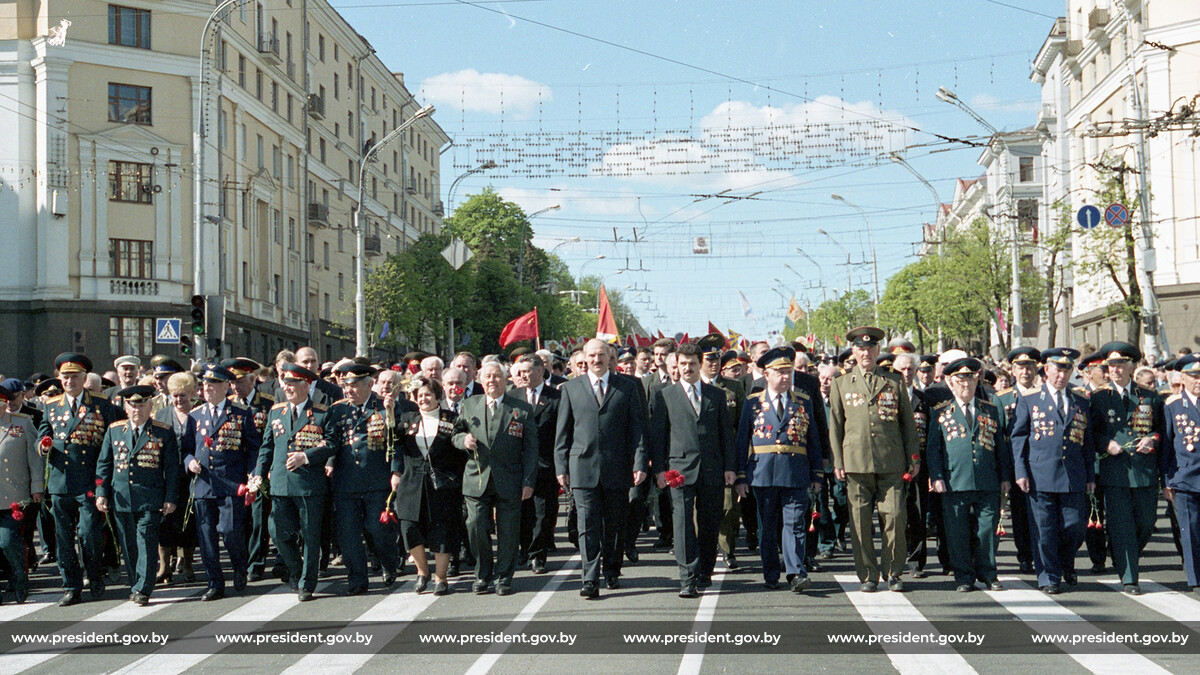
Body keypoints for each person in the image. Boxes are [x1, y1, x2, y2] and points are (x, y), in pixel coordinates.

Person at [555, 338, 648, 598]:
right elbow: (562, 434)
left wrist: (639, 462)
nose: (596, 360)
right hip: (582, 468)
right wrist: (561, 467)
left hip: (618, 468)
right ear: (584, 359)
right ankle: (589, 577)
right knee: (587, 524)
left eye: (601, 355)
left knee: (615, 524)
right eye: (592, 356)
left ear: (610, 357)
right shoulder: (571, 389)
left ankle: (612, 570)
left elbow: (637, 430)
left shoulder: (627, 387)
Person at [828, 327, 919, 593]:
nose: (866, 352)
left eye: (870, 348)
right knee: (859, 521)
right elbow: (835, 425)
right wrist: (838, 461)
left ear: (878, 351)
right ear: (853, 352)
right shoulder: (841, 383)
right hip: (855, 462)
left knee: (895, 516)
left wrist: (913, 457)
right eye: (860, 348)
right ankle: (868, 574)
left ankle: (893, 572)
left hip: (891, 460)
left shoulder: (894, 381)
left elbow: (908, 425)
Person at [650, 343, 736, 597]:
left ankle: (705, 571)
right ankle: (687, 577)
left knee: (710, 523)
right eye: (683, 364)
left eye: (692, 363)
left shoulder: (716, 395)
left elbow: (726, 436)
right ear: (677, 364)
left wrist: (730, 467)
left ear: (700, 364)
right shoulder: (664, 394)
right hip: (678, 470)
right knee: (683, 523)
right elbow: (659, 436)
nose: (687, 368)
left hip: (712, 469)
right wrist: (660, 471)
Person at [734, 346, 823, 592]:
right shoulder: (753, 403)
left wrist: (817, 473)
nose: (786, 377)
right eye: (780, 372)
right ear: (766, 375)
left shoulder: (803, 402)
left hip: (796, 473)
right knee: (768, 527)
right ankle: (771, 572)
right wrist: (741, 475)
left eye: (788, 372)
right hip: (763, 474)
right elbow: (742, 441)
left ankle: (795, 572)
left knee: (795, 524)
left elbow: (813, 439)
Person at [1010, 348, 1096, 594]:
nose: (1062, 374)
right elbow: (1019, 438)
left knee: (1075, 525)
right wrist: (1020, 471)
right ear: (1046, 370)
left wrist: (1090, 474)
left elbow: (1087, 442)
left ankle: (1066, 563)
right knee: (1044, 529)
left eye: (1067, 369)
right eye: (1057, 369)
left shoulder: (1080, 400)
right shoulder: (1030, 399)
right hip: (1040, 474)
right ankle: (1049, 576)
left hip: (1072, 474)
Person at [38, 352, 120, 606]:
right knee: (63, 538)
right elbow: (43, 433)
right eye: (65, 377)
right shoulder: (51, 405)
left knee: (89, 534)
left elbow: (113, 443)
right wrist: (42, 445)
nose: (69, 381)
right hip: (61, 482)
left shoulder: (101, 404)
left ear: (84, 378)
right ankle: (70, 586)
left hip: (89, 481)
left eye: (74, 377)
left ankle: (95, 575)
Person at [926, 358, 1011, 593]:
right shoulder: (941, 412)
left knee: (987, 530)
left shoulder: (991, 410)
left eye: (971, 379)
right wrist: (937, 477)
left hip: (987, 480)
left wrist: (1005, 477)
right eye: (961, 380)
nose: (966, 385)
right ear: (951, 382)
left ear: (977, 381)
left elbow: (1001, 447)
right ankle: (963, 576)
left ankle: (988, 573)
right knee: (957, 532)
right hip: (954, 481)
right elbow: (934, 449)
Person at [453, 361, 538, 596]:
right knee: (475, 525)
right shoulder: (470, 404)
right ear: (480, 380)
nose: (492, 380)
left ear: (506, 380)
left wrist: (528, 481)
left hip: (509, 479)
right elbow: (456, 432)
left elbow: (531, 449)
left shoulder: (521, 408)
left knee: (508, 531)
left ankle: (503, 577)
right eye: (487, 377)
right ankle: (482, 574)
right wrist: (463, 441)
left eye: (497, 376)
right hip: (476, 478)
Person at [253, 363, 333, 602]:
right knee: (276, 531)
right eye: (284, 383)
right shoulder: (277, 411)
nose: (286, 387)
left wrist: (306, 456)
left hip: (308, 484)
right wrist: (259, 472)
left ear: (306, 385)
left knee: (310, 535)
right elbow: (267, 446)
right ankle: (297, 570)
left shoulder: (321, 412)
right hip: (279, 482)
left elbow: (331, 444)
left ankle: (307, 583)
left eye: (292, 383)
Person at [1088, 342, 1163, 594]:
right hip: (1115, 472)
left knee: (1146, 522)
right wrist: (1105, 443)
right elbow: (1092, 433)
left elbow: (1162, 430)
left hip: (1144, 471)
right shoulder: (1098, 398)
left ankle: (1120, 551)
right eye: (1111, 365)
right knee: (1122, 526)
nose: (1116, 369)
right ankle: (1130, 577)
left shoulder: (1149, 396)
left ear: (1132, 366)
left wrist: (1152, 439)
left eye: (1121, 364)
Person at [96, 385, 180, 606]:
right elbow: (104, 465)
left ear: (151, 406)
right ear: (125, 406)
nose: (137, 409)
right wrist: (101, 493)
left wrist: (170, 497)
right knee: (128, 545)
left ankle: (144, 588)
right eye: (132, 405)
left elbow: (171, 469)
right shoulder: (115, 430)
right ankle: (135, 583)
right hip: (121, 498)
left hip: (150, 498)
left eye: (142, 404)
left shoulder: (163, 431)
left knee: (146, 542)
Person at [188, 364, 262, 601]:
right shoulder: (195, 415)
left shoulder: (240, 413)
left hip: (230, 483)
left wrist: (253, 474)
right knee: (206, 536)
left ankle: (240, 567)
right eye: (205, 384)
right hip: (203, 485)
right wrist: (189, 462)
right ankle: (214, 583)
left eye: (213, 384)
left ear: (225, 386)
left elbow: (253, 449)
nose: (207, 388)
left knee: (230, 532)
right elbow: (186, 449)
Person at [324, 362, 400, 595]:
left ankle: (389, 562)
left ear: (369, 384)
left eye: (355, 385)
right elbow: (331, 441)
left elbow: (395, 442)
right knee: (348, 534)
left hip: (376, 479)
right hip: (346, 481)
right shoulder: (338, 410)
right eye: (346, 385)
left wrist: (396, 470)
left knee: (377, 528)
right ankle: (357, 579)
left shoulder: (384, 406)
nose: (349, 390)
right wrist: (328, 463)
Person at [395, 376, 461, 596]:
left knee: (442, 530)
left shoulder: (451, 419)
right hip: (412, 483)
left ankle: (440, 577)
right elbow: (391, 444)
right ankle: (422, 571)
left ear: (438, 397)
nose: (423, 399)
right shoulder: (406, 419)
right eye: (419, 395)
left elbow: (460, 452)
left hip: (442, 485)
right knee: (409, 527)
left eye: (428, 395)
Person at [694, 335, 747, 571]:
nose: (714, 363)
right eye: (709, 358)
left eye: (717, 358)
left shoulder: (733, 387)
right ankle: (701, 547)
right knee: (698, 507)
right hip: (699, 456)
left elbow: (743, 423)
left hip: (726, 454)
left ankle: (727, 549)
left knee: (728, 506)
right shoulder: (693, 385)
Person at [993, 346, 1042, 575]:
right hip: (1015, 463)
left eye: (1030, 367)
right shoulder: (1001, 399)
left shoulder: (1044, 394)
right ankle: (1025, 555)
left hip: (1042, 461)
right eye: (1021, 367)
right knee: (1021, 512)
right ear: (1013, 371)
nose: (1025, 372)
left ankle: (1043, 551)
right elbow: (999, 437)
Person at [512, 354, 562, 575]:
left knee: (543, 513)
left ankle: (538, 555)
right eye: (520, 371)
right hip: (518, 464)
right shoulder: (512, 397)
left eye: (527, 371)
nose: (523, 375)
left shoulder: (556, 397)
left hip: (545, 464)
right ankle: (524, 549)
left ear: (540, 371)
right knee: (522, 510)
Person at [154, 372, 198, 584]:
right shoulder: (161, 415)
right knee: (165, 521)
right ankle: (164, 567)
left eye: (183, 395)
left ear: (191, 394)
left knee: (188, 521)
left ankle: (188, 563)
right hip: (166, 476)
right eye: (175, 395)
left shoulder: (199, 414)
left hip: (191, 477)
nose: (179, 400)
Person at [0, 384, 42, 604]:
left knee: (8, 541)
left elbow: (35, 459)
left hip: (14, 497)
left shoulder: (22, 423)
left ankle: (19, 577)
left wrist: (37, 486)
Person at [1162, 354, 1200, 592]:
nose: (1199, 381)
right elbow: (1166, 445)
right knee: (1191, 531)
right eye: (1194, 376)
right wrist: (1166, 481)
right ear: (1182, 379)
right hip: (1185, 477)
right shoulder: (1172, 405)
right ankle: (1196, 578)